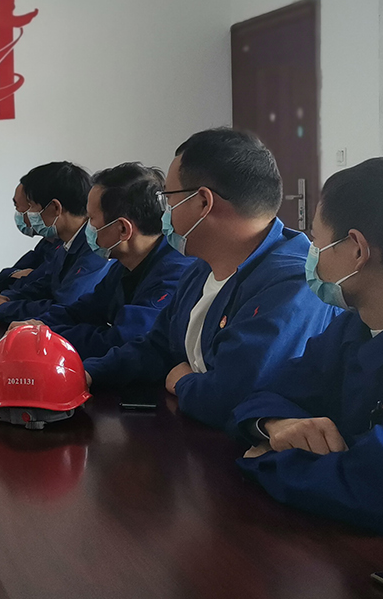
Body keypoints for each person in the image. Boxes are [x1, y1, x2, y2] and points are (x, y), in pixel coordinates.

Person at [232, 158, 383, 539]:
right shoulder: (357, 323)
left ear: (357, 250)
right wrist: (274, 426)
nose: (310, 252)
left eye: (316, 241)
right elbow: (268, 391)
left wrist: (272, 461)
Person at [84, 129, 334, 429]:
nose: (165, 213)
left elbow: (230, 397)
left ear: (203, 202)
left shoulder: (293, 284)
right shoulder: (201, 267)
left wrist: (183, 381)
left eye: (169, 199)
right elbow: (157, 346)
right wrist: (89, 373)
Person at [15, 163, 196, 360]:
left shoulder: (174, 274)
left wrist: (47, 336)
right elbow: (84, 310)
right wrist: (38, 325)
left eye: (92, 219)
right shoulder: (124, 264)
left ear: (123, 229)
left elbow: (119, 341)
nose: (87, 227)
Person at [0, 162, 110, 323]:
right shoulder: (66, 244)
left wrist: (5, 309)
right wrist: (4, 299)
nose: (28, 214)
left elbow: (66, 307)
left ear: (55, 208)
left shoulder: (96, 248)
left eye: (32, 206)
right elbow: (43, 287)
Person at [0, 179, 62, 292]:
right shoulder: (47, 242)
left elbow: (30, 285)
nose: (18, 213)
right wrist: (15, 274)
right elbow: (1, 278)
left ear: (54, 207)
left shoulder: (66, 248)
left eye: (31, 206)